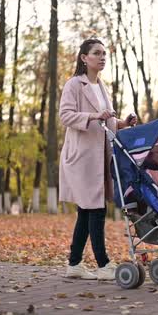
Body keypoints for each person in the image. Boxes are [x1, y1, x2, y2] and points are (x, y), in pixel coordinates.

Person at [59, 38, 137, 280]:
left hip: (100, 156)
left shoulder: (101, 86)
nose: (102, 57)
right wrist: (94, 115)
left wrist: (123, 123)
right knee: (96, 209)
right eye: (96, 53)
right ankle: (103, 265)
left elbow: (107, 121)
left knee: (87, 210)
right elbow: (66, 116)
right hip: (82, 157)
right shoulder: (74, 84)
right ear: (84, 57)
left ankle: (74, 264)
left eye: (104, 54)